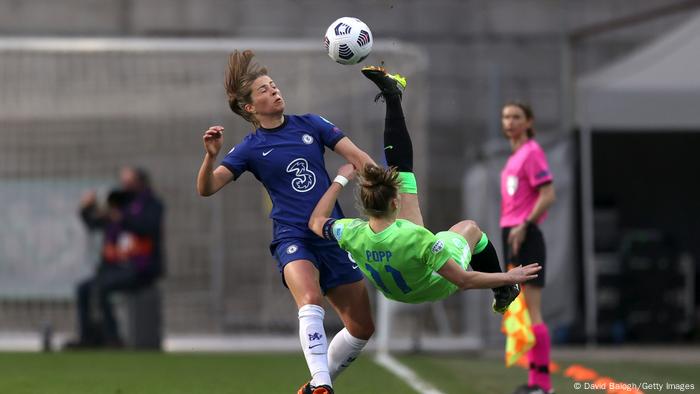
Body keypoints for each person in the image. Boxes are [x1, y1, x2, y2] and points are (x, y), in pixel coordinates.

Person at [196, 50, 376, 394]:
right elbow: (206, 188)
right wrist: (210, 155)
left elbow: (357, 158)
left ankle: (314, 386)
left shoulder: (311, 124)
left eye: (274, 85)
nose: (274, 91)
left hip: (333, 233)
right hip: (292, 235)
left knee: (362, 327)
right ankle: (323, 385)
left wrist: (385, 184)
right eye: (264, 90)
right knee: (309, 298)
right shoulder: (250, 147)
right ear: (250, 107)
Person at [309, 66, 540, 312]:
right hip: (434, 285)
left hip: (394, 291)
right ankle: (504, 291)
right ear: (394, 203)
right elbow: (463, 280)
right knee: (471, 229)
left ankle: (392, 96)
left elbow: (316, 221)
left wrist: (339, 181)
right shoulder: (417, 239)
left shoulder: (351, 232)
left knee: (402, 174)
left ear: (366, 205)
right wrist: (509, 277)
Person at [67, 167, 164, 348]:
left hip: (139, 269)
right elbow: (95, 223)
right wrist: (86, 209)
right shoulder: (119, 205)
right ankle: (87, 337)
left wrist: (121, 218)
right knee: (84, 289)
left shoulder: (152, 205)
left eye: (129, 181)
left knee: (103, 288)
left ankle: (113, 338)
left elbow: (146, 227)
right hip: (114, 268)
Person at [500, 101, 556, 394]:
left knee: (533, 310)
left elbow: (548, 194)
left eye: (516, 117)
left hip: (525, 234)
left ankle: (543, 385)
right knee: (521, 311)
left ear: (529, 122)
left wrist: (525, 225)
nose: (509, 122)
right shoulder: (515, 156)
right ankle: (535, 381)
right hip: (512, 232)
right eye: (506, 117)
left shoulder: (532, 152)